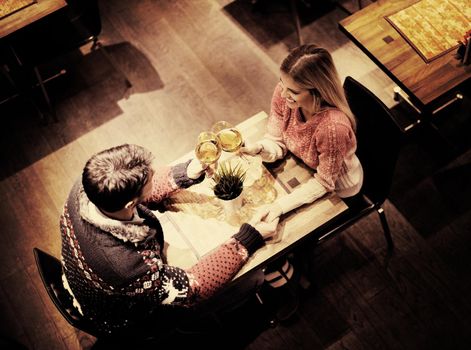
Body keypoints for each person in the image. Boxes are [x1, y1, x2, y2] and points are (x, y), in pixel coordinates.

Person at [60, 144, 277, 338]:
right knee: (251, 279)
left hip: (89, 278)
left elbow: (142, 196)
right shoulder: (126, 266)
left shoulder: (87, 185)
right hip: (127, 318)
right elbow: (192, 288)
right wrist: (249, 238)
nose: (155, 173)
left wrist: (186, 172)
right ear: (130, 204)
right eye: (150, 179)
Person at [240, 44, 363, 320]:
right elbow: (278, 141)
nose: (283, 94)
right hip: (305, 166)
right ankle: (283, 271)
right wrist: (259, 148)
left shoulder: (332, 127)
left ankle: (289, 285)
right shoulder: (285, 93)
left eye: (292, 91)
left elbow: (325, 183)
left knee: (279, 237)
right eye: (282, 84)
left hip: (339, 190)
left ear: (316, 90)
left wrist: (281, 206)